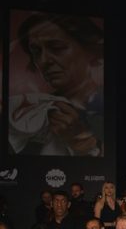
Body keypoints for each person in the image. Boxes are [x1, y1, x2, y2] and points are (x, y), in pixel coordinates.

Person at [9, 13, 104, 156]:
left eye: (57, 47)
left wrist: (85, 145)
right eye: (36, 52)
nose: (44, 61)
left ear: (90, 49)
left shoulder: (111, 107)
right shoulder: (30, 114)